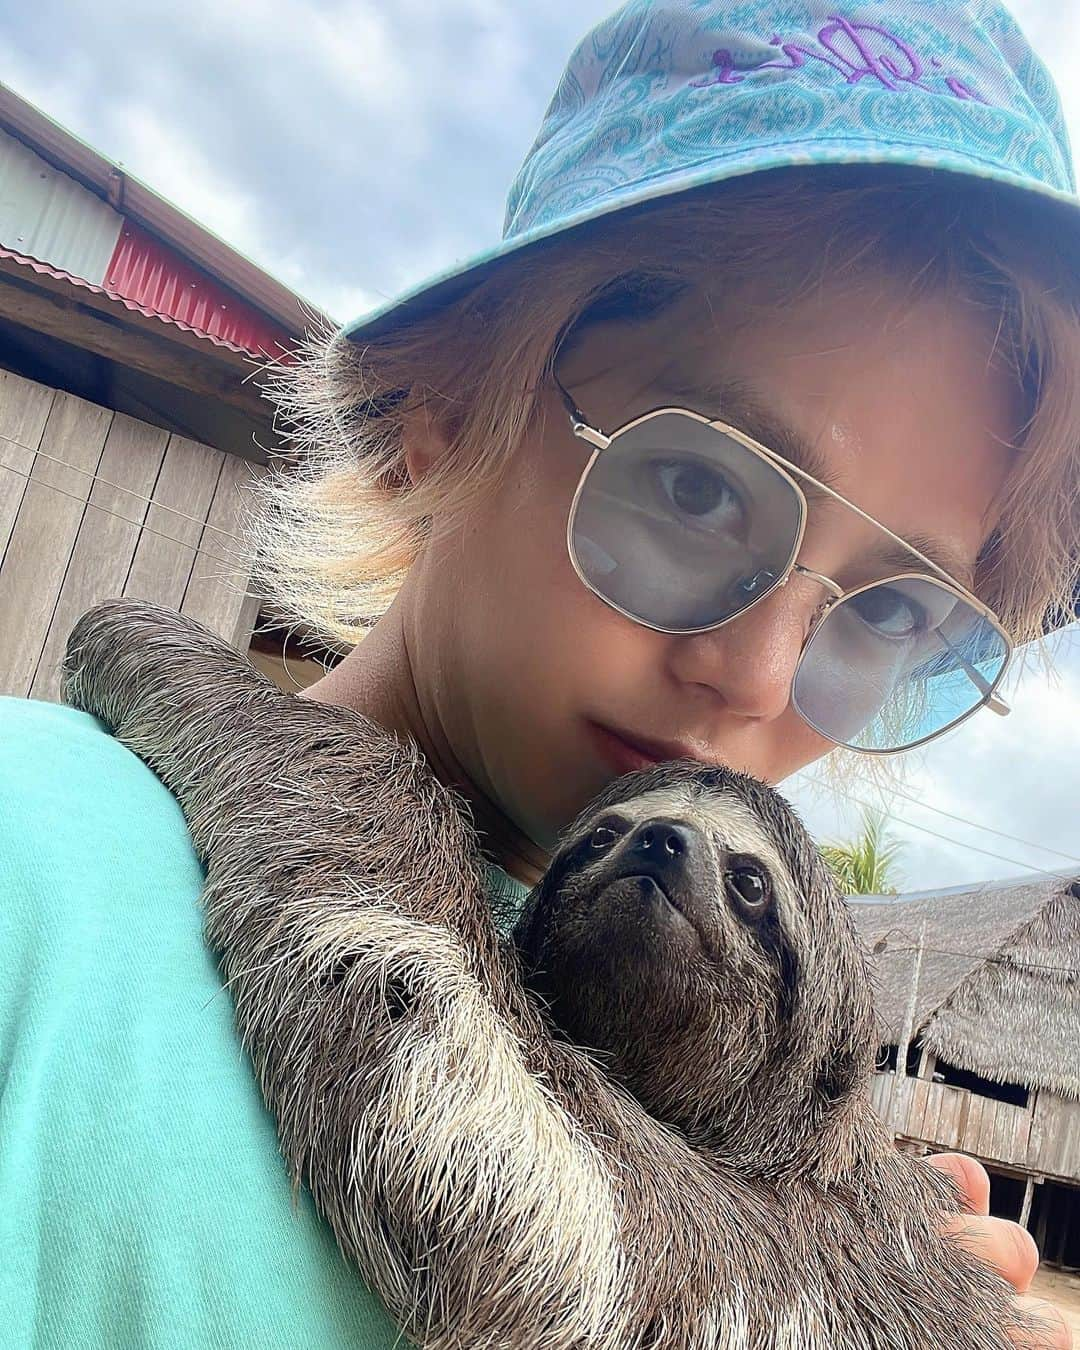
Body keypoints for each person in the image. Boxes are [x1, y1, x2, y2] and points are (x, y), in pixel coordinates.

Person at [3, 2, 1079, 1346]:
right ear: (440, 406)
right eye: (694, 483)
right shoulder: (32, 869)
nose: (752, 670)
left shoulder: (849, 1208)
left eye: (895, 609)